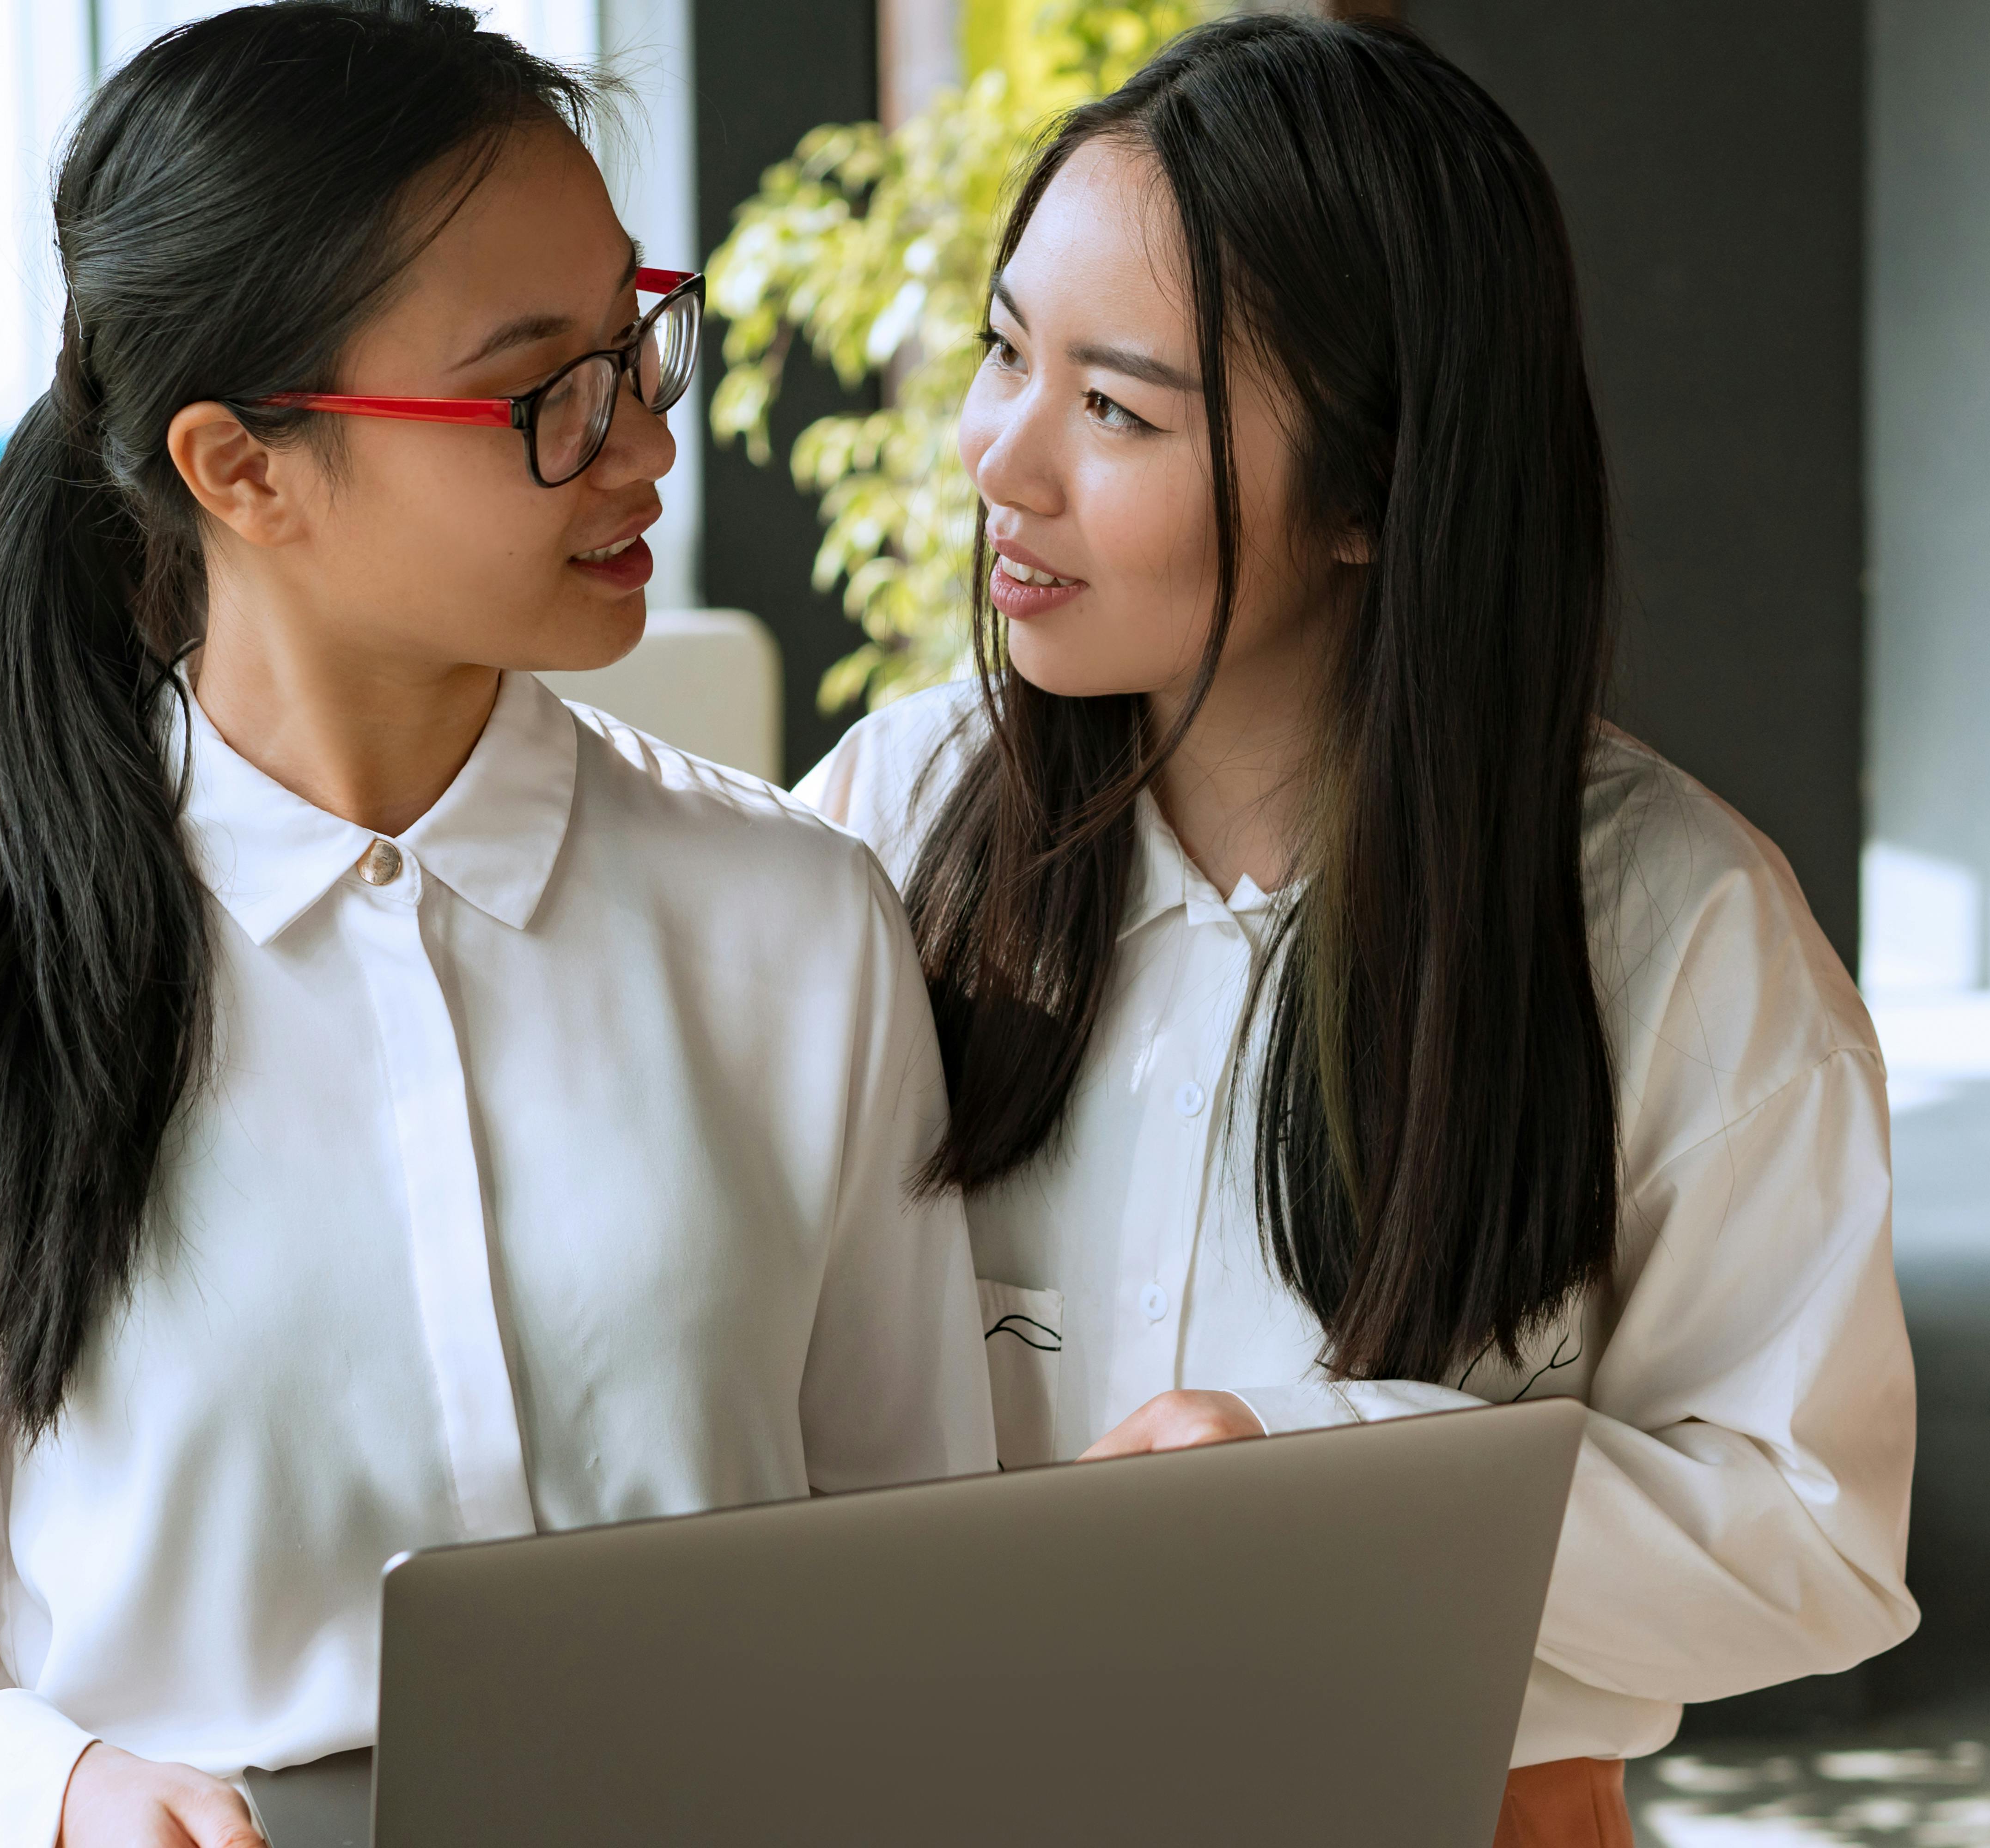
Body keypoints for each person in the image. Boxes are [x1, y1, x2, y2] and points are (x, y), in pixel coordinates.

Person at [0, 7, 994, 1844]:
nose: (641, 445)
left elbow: (924, 1567)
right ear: (243, 469)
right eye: (544, 387)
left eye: (638, 341)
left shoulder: (794, 925)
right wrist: (53, 1791)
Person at [798, 15, 1917, 1844]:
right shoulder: (891, 817)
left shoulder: (1672, 924)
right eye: (1008, 352)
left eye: (1116, 408)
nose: (1002, 458)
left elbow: (1811, 1532)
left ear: (1372, 497)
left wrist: (1326, 1493)